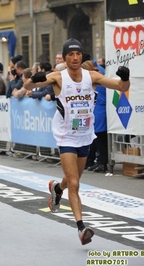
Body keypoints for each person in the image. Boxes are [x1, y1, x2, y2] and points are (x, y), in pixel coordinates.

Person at [24, 38, 130, 245]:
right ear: (65, 58)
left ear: (82, 56)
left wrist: (126, 78)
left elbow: (120, 86)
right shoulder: (58, 77)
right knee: (74, 183)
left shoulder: (92, 76)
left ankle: (57, 189)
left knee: (72, 180)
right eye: (70, 55)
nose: (74, 58)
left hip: (85, 135)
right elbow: (28, 85)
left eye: (78, 54)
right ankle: (81, 228)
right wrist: (34, 78)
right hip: (66, 136)